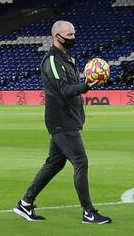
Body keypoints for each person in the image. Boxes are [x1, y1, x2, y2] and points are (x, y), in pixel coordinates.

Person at [15, 20, 111, 225]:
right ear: (57, 36)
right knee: (81, 162)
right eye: (69, 35)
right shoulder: (51, 60)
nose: (73, 38)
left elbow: (71, 88)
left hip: (67, 119)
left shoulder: (67, 59)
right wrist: (86, 86)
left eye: (74, 33)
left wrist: (84, 86)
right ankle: (88, 213)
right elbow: (65, 90)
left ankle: (25, 203)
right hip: (61, 120)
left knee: (54, 164)